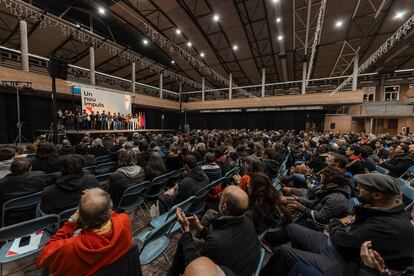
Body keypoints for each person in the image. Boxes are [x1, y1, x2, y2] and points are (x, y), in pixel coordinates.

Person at [260, 173, 414, 276]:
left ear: (377, 195)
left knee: (284, 253)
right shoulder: (380, 208)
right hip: (338, 245)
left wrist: (335, 222)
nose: (357, 188)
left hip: (345, 263)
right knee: (293, 228)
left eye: (362, 186)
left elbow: (342, 242)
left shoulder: (386, 226)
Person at [37, 188, 139, 275]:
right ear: (110, 206)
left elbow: (43, 257)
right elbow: (112, 215)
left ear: (80, 217)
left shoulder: (68, 248)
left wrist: (71, 222)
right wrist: (95, 201)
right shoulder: (124, 221)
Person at [169, 186, 260, 276]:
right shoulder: (248, 221)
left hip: (224, 269)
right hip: (237, 264)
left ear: (224, 206)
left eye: (221, 196)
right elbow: (220, 239)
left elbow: (196, 262)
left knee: (185, 241)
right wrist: (200, 228)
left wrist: (186, 230)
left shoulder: (217, 242)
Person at [0, 157, 47, 226]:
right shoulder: (40, 176)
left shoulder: (2, 183)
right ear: (30, 168)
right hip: (33, 212)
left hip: (10, 217)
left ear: (10, 169)